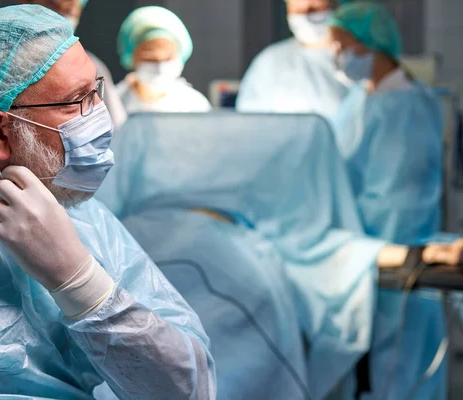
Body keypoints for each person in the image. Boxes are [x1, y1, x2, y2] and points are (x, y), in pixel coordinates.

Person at [0, 6, 216, 399]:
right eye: (75, 101)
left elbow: (189, 390)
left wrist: (81, 284)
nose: (99, 117)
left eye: (95, 91)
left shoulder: (80, 216)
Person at [96, 111, 463, 400]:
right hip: (185, 257)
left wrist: (421, 252)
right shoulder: (116, 227)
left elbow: (331, 248)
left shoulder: (113, 228)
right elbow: (329, 252)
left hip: (204, 264)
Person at [328, 2, 446, 399]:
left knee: (399, 369)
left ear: (368, 46)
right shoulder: (360, 98)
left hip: (396, 259)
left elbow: (399, 201)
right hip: (362, 253)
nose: (337, 56)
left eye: (341, 45)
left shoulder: (410, 106)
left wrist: (379, 252)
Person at [237, 0, 351, 121]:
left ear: (337, 6)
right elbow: (250, 124)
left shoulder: (357, 59)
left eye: (315, 8)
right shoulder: (270, 62)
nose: (305, 16)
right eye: (296, 9)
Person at [21, 0, 128, 129]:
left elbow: (113, 122)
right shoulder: (16, 61)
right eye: (54, 8)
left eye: (69, 12)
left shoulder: (90, 65)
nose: (61, 18)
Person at [116, 6, 211, 114]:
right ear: (131, 58)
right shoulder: (112, 103)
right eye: (150, 58)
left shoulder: (195, 105)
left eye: (168, 58)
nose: (160, 67)